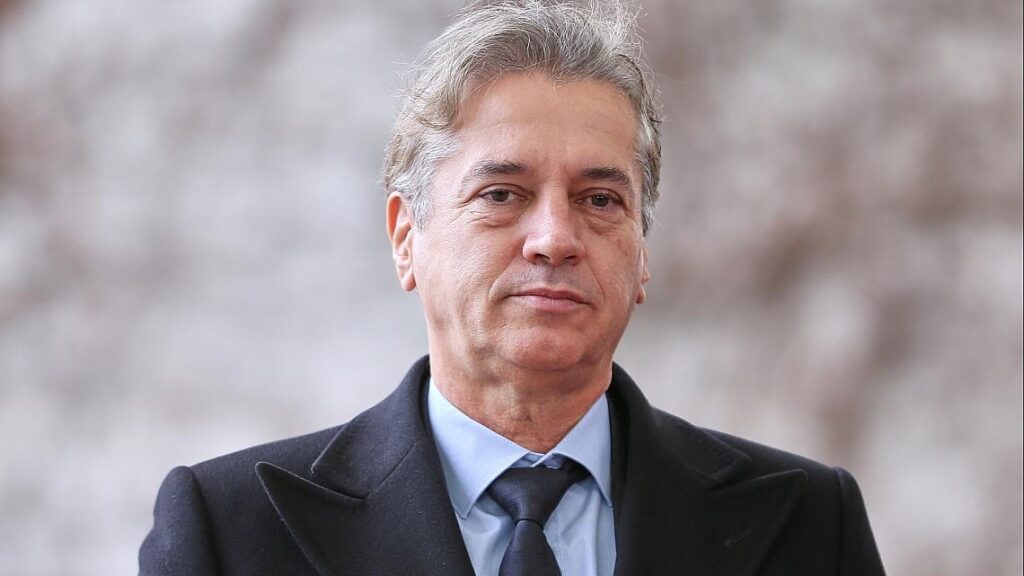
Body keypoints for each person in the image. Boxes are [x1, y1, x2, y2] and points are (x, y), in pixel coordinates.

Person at [139, 2, 886, 575]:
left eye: (600, 199)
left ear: (642, 253)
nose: (555, 238)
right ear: (406, 236)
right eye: (502, 193)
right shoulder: (231, 531)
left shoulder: (809, 525)